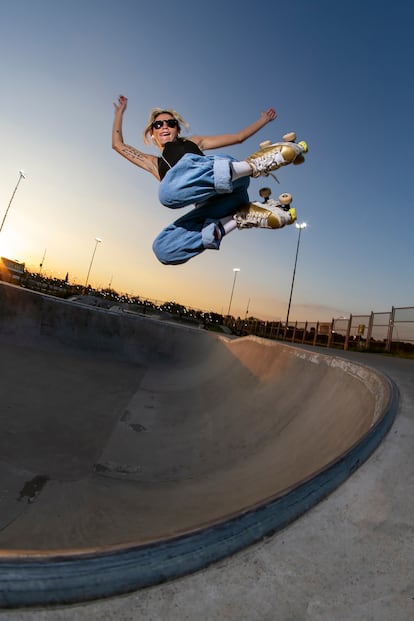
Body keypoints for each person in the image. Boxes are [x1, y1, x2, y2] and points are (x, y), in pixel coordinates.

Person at [112, 95, 306, 265]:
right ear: (152, 133)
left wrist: (263, 120)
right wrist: (120, 113)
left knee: (166, 193)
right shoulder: (154, 163)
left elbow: (238, 137)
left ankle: (254, 165)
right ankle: (238, 219)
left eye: (170, 123)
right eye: (158, 124)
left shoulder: (194, 142)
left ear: (177, 129)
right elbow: (118, 145)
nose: (164, 127)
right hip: (220, 205)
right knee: (163, 249)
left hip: (233, 179)